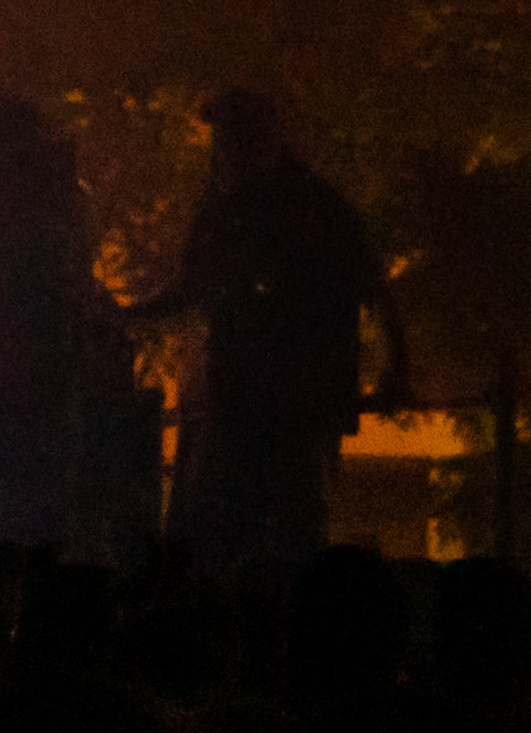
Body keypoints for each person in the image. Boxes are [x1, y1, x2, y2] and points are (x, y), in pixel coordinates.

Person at [131, 89, 385, 570]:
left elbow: (370, 283)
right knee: (247, 521)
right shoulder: (231, 206)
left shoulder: (309, 205)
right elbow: (193, 282)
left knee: (281, 519)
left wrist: (395, 367)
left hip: (296, 393)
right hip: (246, 391)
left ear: (264, 138)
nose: (224, 149)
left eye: (233, 136)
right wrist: (131, 315)